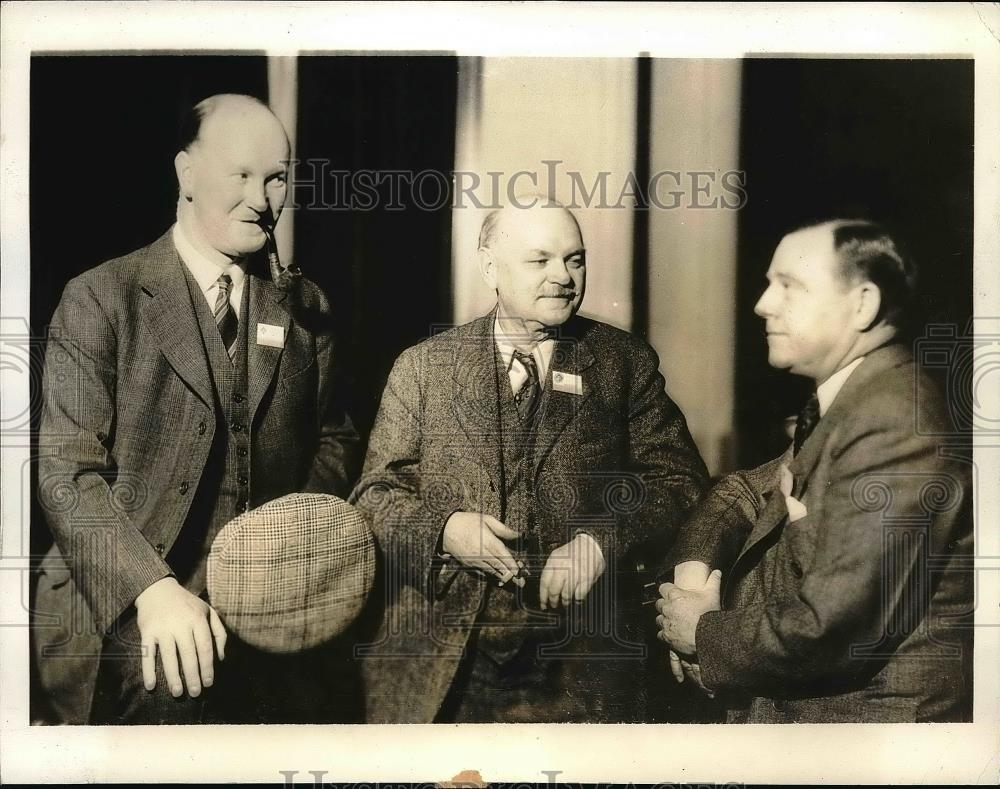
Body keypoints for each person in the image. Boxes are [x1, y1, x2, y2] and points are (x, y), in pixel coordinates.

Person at [35, 94, 360, 724]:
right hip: (125, 605)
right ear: (187, 175)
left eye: (276, 178)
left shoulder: (306, 306)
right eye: (240, 176)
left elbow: (336, 441)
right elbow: (66, 476)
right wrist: (152, 591)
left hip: (268, 605)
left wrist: (278, 554)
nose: (263, 200)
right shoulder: (102, 298)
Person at [351, 198, 709, 722]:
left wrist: (602, 541)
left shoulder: (623, 362)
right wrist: (445, 528)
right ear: (489, 267)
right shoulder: (424, 368)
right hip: (446, 661)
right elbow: (374, 497)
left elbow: (681, 483)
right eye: (540, 261)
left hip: (583, 663)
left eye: (575, 259)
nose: (563, 277)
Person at [656, 219, 973, 723]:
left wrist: (700, 630)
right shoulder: (857, 399)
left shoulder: (895, 423)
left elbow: (830, 628)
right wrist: (694, 580)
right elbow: (743, 491)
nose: (763, 303)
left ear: (863, 305)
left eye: (790, 286)